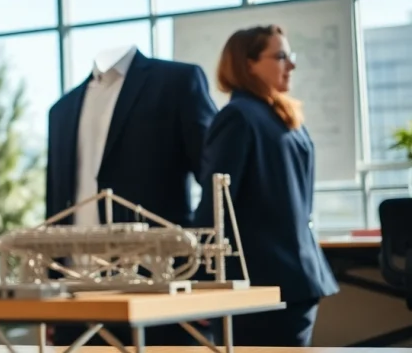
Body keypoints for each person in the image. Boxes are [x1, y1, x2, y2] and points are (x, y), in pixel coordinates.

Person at [46, 44, 218, 346]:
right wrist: (49, 287)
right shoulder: (61, 109)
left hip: (159, 288)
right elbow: (55, 202)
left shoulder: (177, 82)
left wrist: (202, 277)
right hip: (75, 294)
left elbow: (216, 181)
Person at [195, 24, 338, 347]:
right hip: (296, 278)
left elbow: (215, 205)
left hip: (262, 284)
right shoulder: (281, 119)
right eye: (281, 56)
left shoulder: (241, 116)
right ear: (248, 64)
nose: (292, 64)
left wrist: (199, 281)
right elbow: (223, 203)